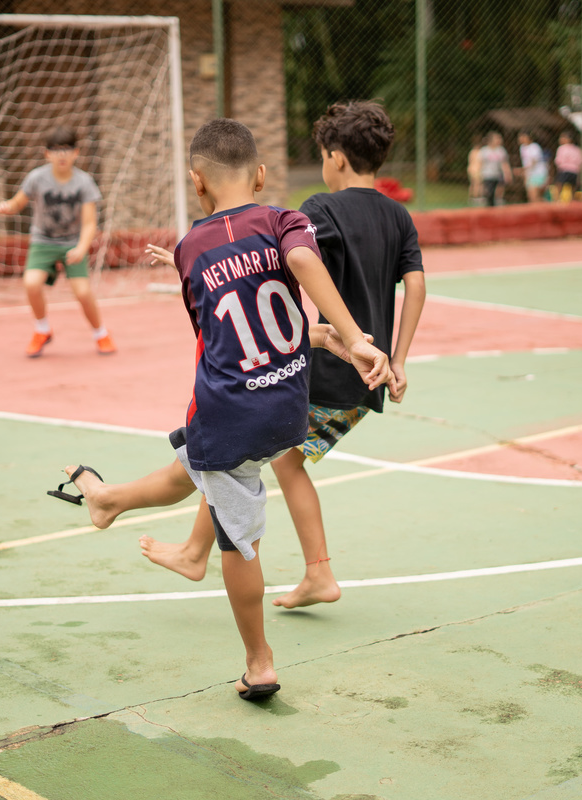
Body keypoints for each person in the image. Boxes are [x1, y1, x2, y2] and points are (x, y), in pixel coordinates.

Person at [51, 118, 391, 701]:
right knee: (196, 467)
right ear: (260, 174)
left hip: (232, 409)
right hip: (287, 405)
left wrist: (352, 337)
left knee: (238, 541)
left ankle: (259, 662)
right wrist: (335, 336)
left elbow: (226, 331)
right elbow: (283, 294)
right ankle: (109, 501)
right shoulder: (285, 220)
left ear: (197, 181)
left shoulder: (191, 248)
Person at [141, 101, 426, 611]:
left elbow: (270, 256)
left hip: (327, 362)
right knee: (260, 459)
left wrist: (201, 255)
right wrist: (399, 359)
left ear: (336, 158)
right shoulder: (398, 214)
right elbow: (417, 286)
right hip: (372, 371)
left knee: (250, 456)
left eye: (322, 156)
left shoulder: (319, 210)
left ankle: (311, 571)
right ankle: (200, 550)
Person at [0, 127, 116, 357]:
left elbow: (89, 223)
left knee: (82, 292)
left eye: (67, 149)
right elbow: (17, 203)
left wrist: (81, 248)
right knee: (31, 283)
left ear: (76, 153)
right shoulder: (37, 178)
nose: (62, 155)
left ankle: (100, 333)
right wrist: (6, 207)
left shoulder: (84, 182)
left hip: (72, 243)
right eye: (56, 150)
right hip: (43, 241)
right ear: (47, 154)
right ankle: (42, 330)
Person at [478, 132, 510, 206]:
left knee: (498, 193)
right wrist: (478, 173)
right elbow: (480, 163)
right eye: (497, 138)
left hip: (497, 175)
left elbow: (504, 163)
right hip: (487, 174)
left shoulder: (501, 150)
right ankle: (490, 206)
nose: (500, 140)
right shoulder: (484, 150)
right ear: (491, 140)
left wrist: (507, 174)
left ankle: (494, 206)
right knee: (489, 192)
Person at [553, 132, 582, 202]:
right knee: (573, 187)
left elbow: (558, 161)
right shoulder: (577, 149)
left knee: (559, 184)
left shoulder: (561, 148)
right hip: (575, 171)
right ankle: (572, 200)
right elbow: (581, 161)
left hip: (564, 170)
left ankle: (557, 200)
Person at [517, 131, 547, 203]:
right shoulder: (522, 148)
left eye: (523, 136)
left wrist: (522, 170)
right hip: (530, 175)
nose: (520, 138)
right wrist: (525, 175)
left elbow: (534, 163)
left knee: (534, 197)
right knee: (534, 198)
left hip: (538, 174)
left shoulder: (534, 147)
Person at [467, 136, 483, 204]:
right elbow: (480, 162)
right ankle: (476, 197)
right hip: (477, 169)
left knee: (472, 184)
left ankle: (471, 197)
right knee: (477, 184)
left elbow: (470, 161)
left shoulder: (471, 151)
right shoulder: (479, 152)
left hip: (471, 169)